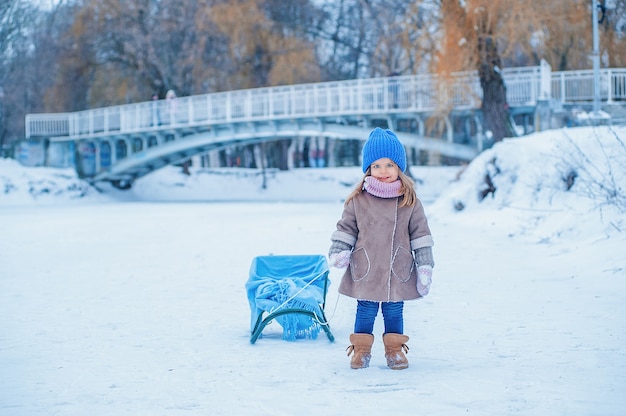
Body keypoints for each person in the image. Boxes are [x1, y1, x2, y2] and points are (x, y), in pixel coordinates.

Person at [328, 127, 434, 370]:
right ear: (368, 169)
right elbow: (346, 229)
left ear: (399, 167)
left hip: (399, 268)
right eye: (376, 166)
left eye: (389, 165)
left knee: (394, 310)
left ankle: (394, 351)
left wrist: (425, 265)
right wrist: (339, 250)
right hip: (367, 267)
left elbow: (421, 234)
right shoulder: (358, 200)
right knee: (365, 310)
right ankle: (361, 351)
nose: (383, 171)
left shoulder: (409, 201)